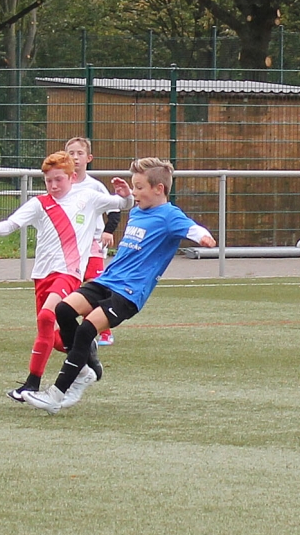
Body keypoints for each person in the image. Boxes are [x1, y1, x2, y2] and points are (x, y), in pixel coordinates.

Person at [22, 156, 217, 414]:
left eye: (139, 187)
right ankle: (84, 369)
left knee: (87, 329)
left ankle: (57, 394)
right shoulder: (137, 211)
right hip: (107, 280)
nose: (134, 192)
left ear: (158, 189)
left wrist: (203, 237)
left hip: (128, 293)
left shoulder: (170, 216)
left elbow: (193, 228)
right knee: (64, 310)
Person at [0, 150, 133, 403]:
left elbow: (122, 205)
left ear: (72, 177)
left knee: (46, 316)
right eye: (48, 180)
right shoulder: (40, 203)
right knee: (49, 335)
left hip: (69, 273)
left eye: (58, 179)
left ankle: (31, 384)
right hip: (42, 275)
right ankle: (86, 351)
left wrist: (126, 195)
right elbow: (13, 222)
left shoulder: (88, 197)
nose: (53, 185)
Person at [65, 136, 121, 347]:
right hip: (70, 247)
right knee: (71, 288)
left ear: (89, 158)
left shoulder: (95, 186)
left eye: (80, 153)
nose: (75, 157)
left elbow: (115, 210)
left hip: (92, 245)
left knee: (94, 286)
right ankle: (72, 330)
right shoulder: (62, 184)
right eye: (71, 153)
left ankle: (105, 331)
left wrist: (108, 231)